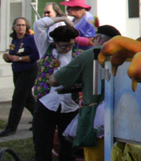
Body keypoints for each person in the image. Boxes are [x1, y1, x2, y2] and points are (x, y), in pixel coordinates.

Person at [50, 25, 121, 161]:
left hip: (96, 116)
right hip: (125, 114)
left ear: (98, 38)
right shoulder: (127, 54)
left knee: (96, 155)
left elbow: (55, 80)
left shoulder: (90, 54)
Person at [32, 25, 81, 161]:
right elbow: (39, 25)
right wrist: (61, 19)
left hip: (69, 105)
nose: (67, 49)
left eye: (70, 45)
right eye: (63, 46)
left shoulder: (78, 56)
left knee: (68, 148)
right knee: (42, 146)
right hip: (46, 103)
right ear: (55, 43)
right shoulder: (45, 50)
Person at [0, 17, 39, 137]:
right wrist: (8, 58)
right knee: (27, 99)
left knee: (18, 98)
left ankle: (11, 127)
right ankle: (40, 120)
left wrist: (20, 58)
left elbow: (36, 55)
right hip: (17, 71)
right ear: (14, 27)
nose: (21, 27)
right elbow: (14, 55)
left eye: (23, 25)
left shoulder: (30, 39)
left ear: (26, 27)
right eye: (18, 25)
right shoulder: (15, 40)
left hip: (29, 71)